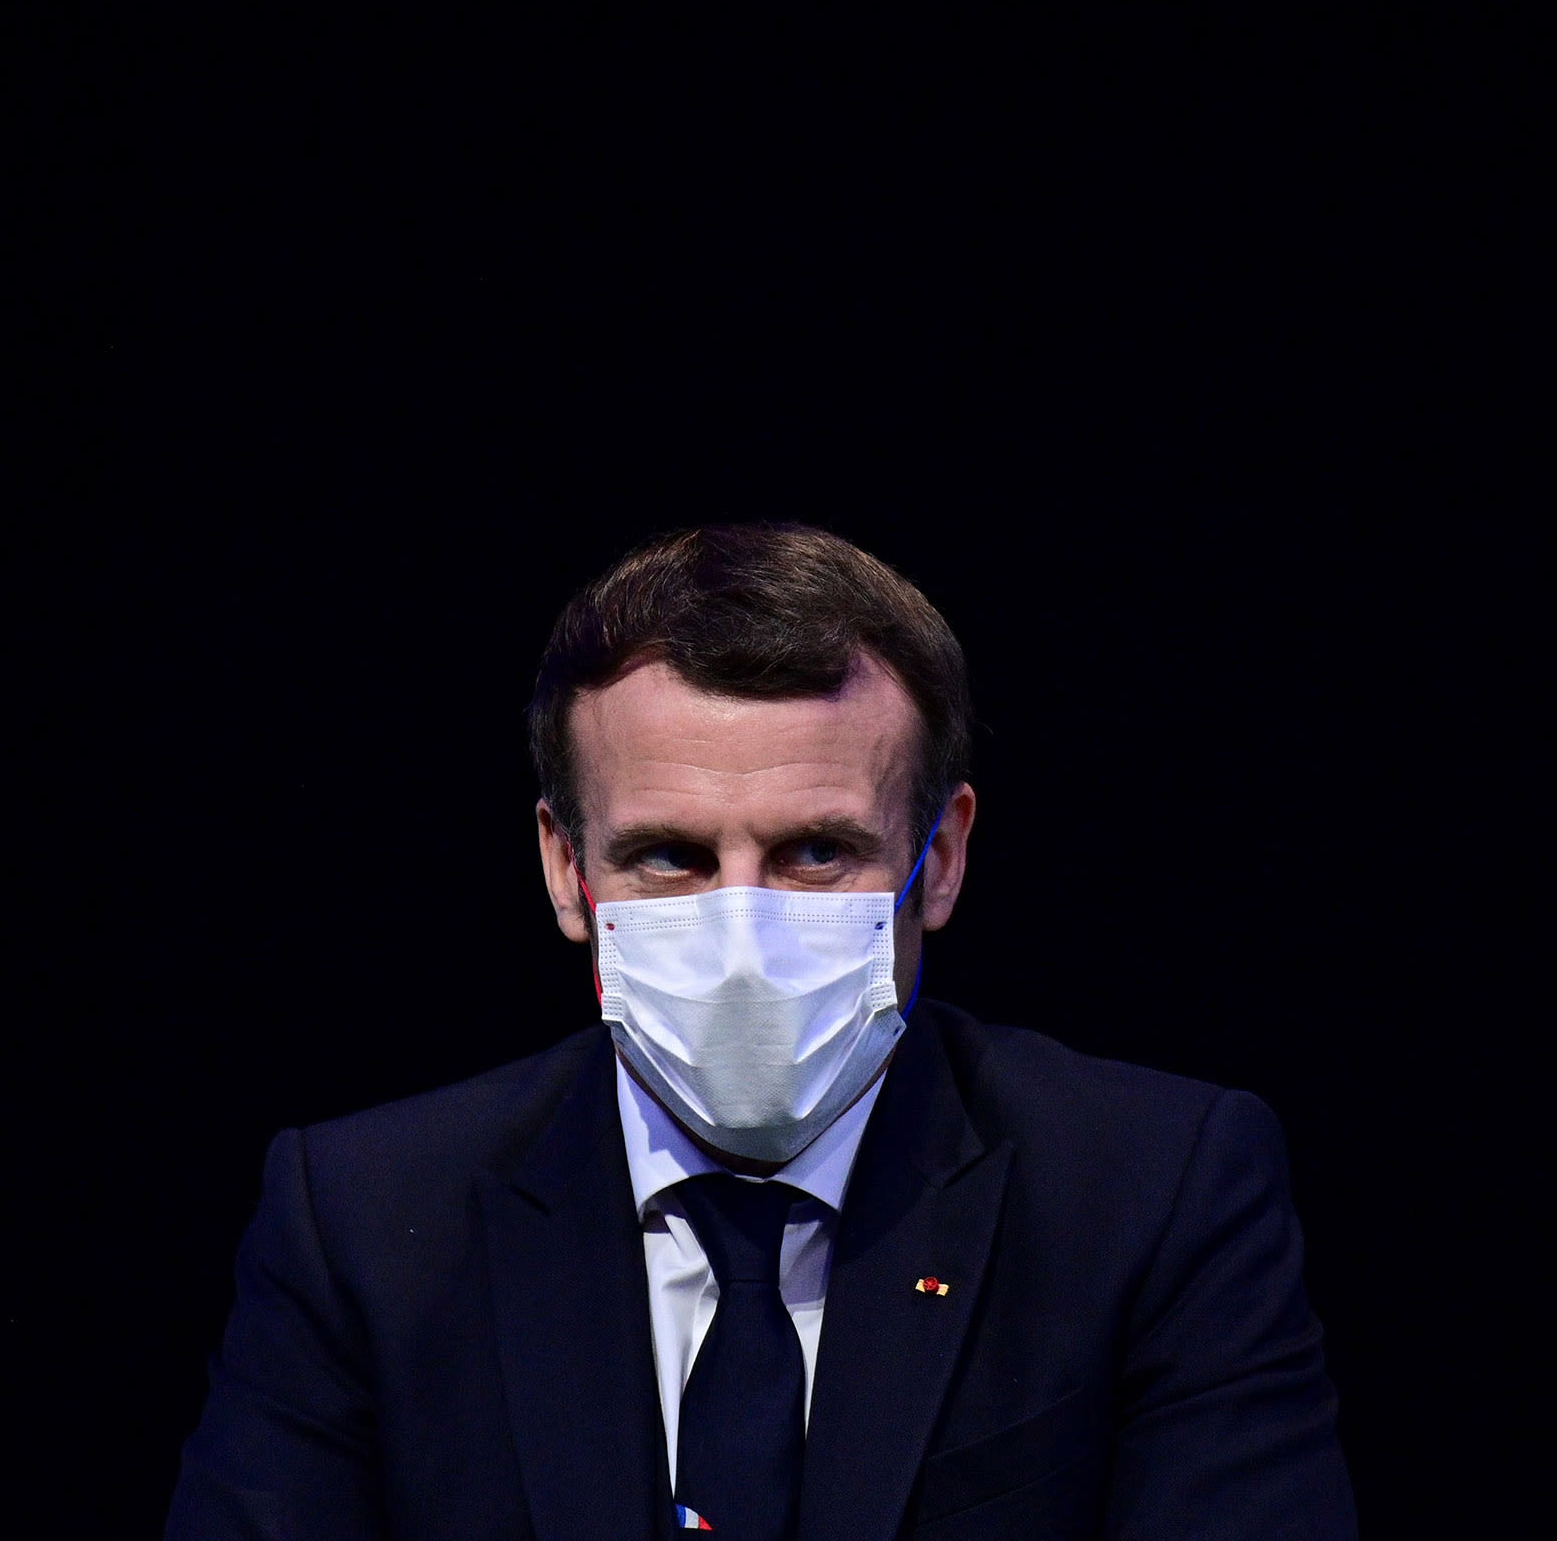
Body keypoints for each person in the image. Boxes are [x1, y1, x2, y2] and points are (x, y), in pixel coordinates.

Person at [165, 523, 1358, 1540]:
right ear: (567, 868)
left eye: (816, 851)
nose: (742, 937)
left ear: (940, 856)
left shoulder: (1149, 1192)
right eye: (669, 855)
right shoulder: (364, 1222)